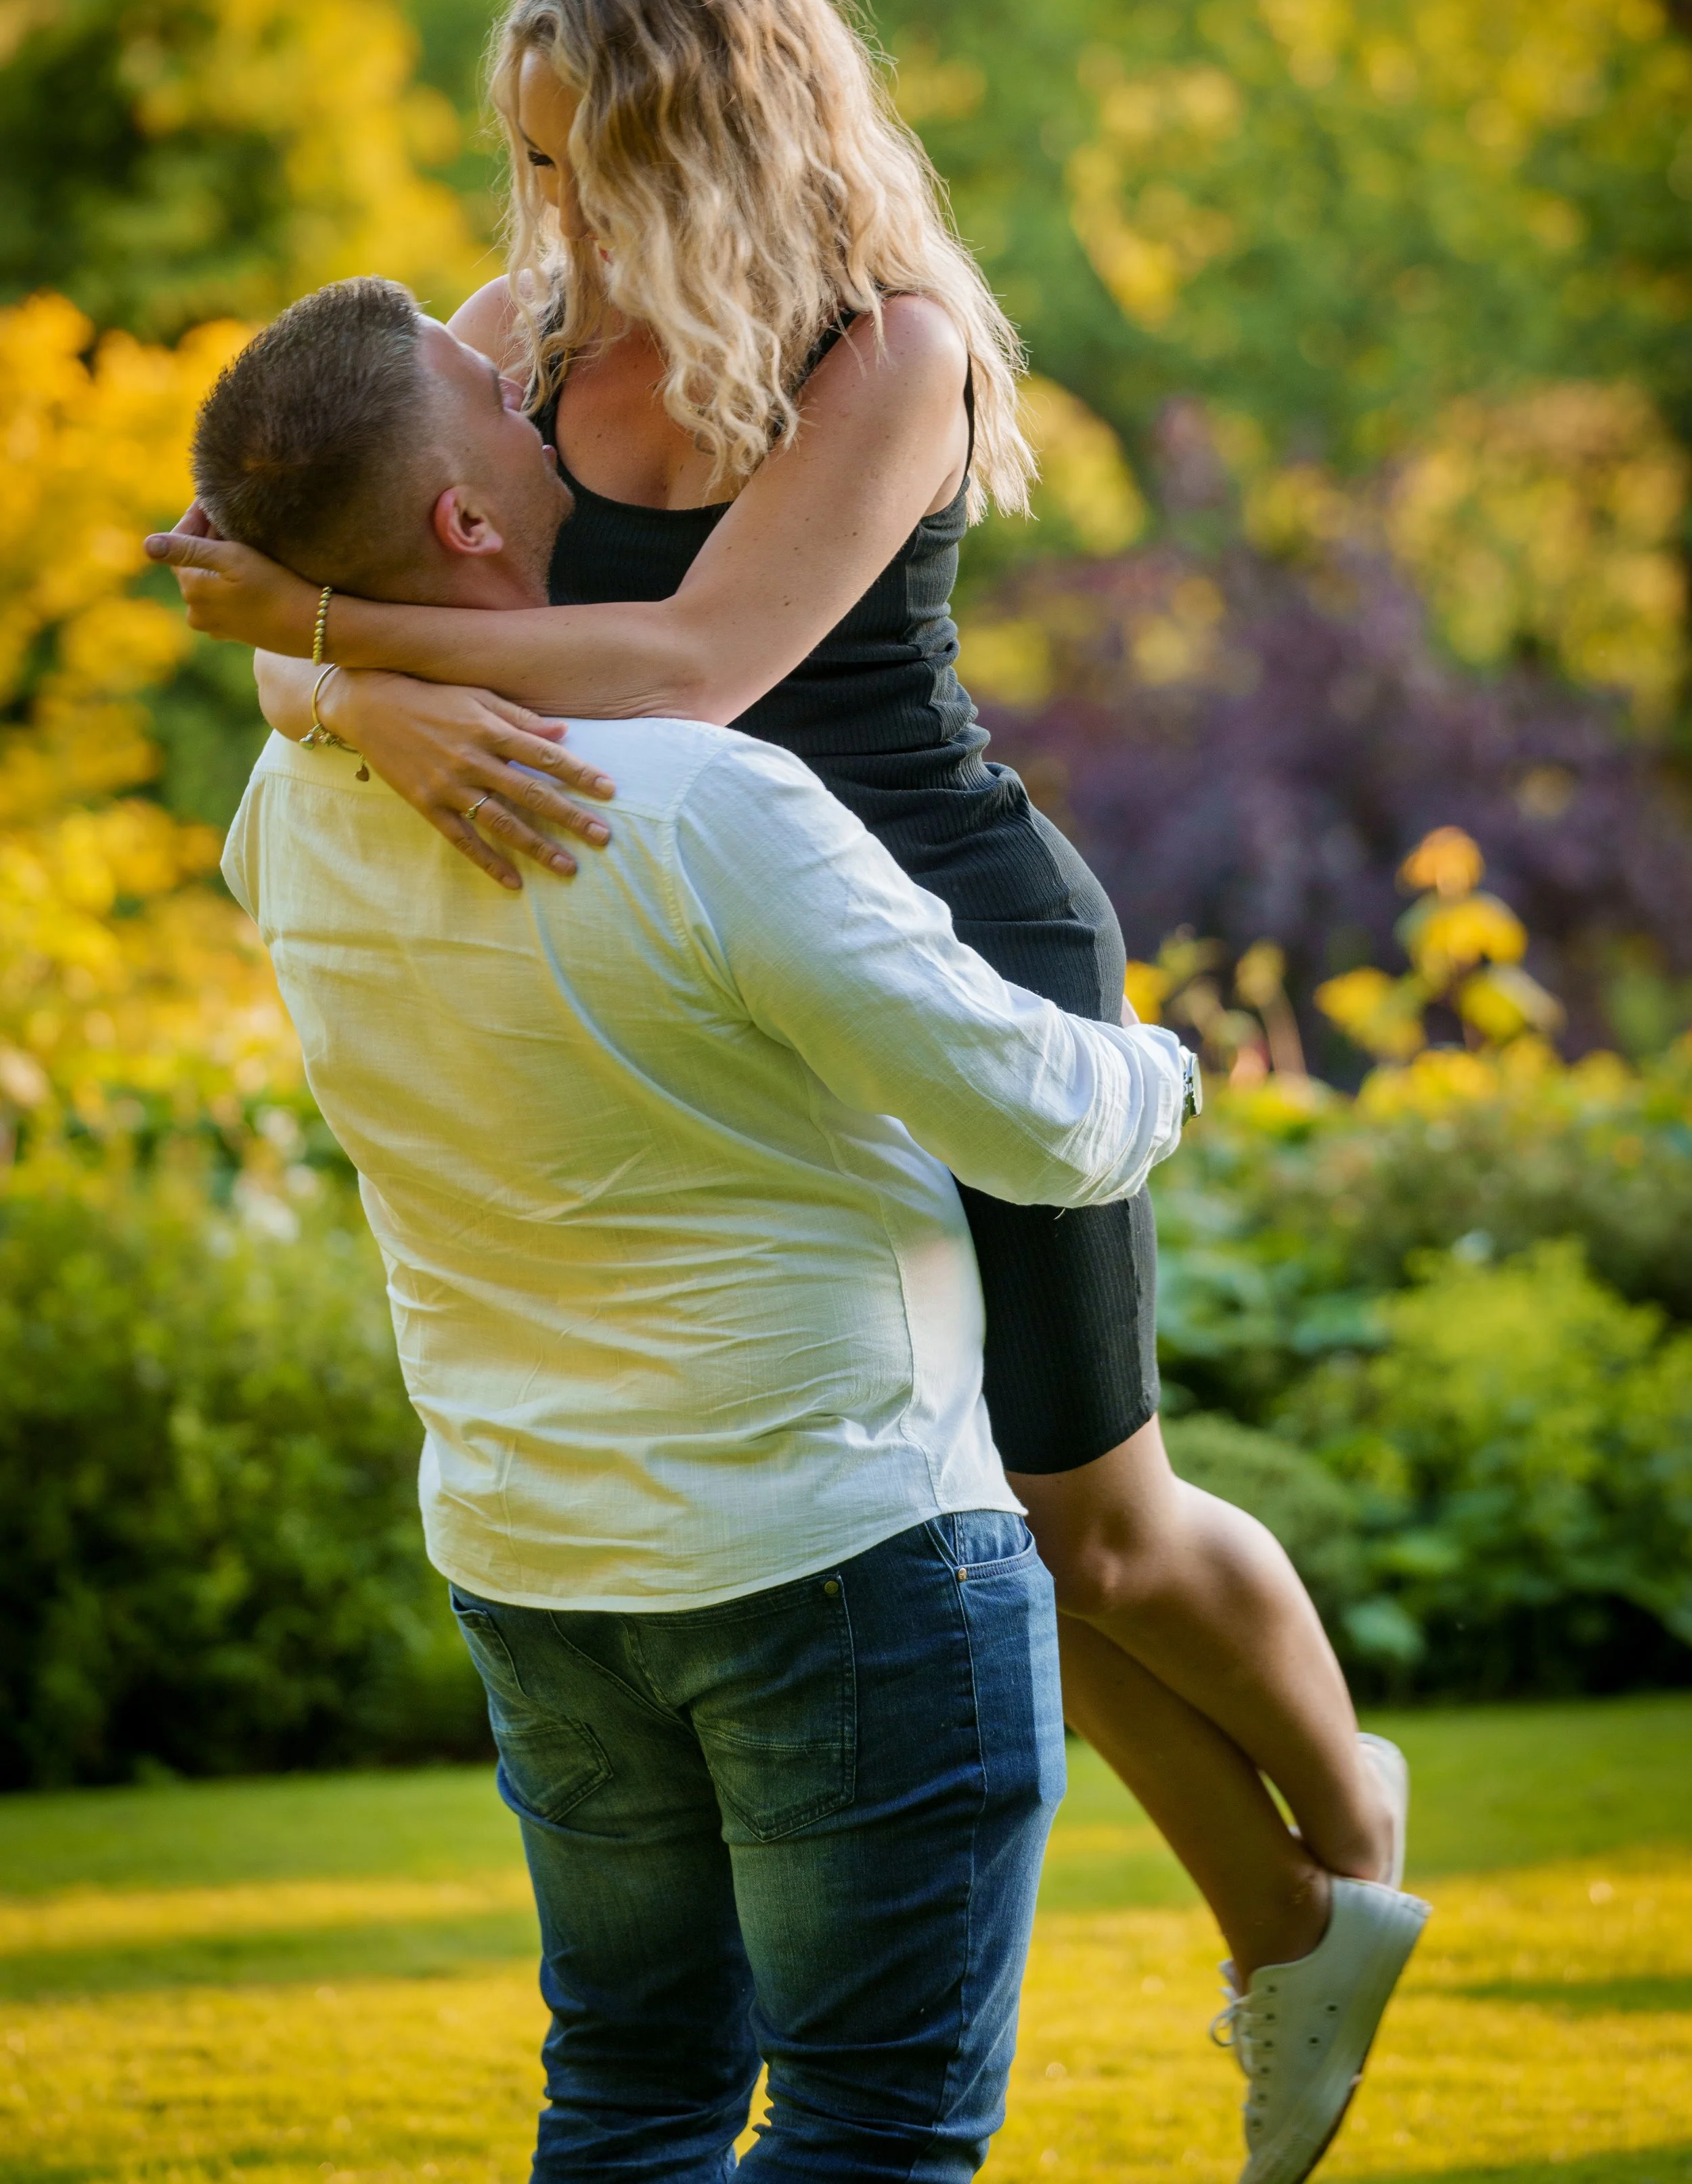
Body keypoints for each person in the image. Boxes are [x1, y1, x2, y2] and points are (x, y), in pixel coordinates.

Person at [150, 0, 1429, 2184]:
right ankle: (1294, 1936)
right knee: (960, 1518)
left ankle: (1350, 1827)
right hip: (713, 954)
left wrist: (338, 643)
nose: (547, 210)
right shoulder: (513, 338)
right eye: (529, 157)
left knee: (1095, 1525)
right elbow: (271, 580)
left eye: (586, 160)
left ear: (718, 131)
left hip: (953, 940)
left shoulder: (884, 349)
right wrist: (350, 693)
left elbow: (694, 669)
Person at [206, 271, 1200, 2180]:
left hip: (539, 1562)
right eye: (482, 384)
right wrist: (1163, 1067)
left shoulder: (290, 800)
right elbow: (1050, 1132)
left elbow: (298, 690)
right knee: (868, 2129)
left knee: (630, 2102)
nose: (521, 370)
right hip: (834, 1549)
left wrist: (330, 671)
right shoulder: (703, 804)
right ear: (467, 517)